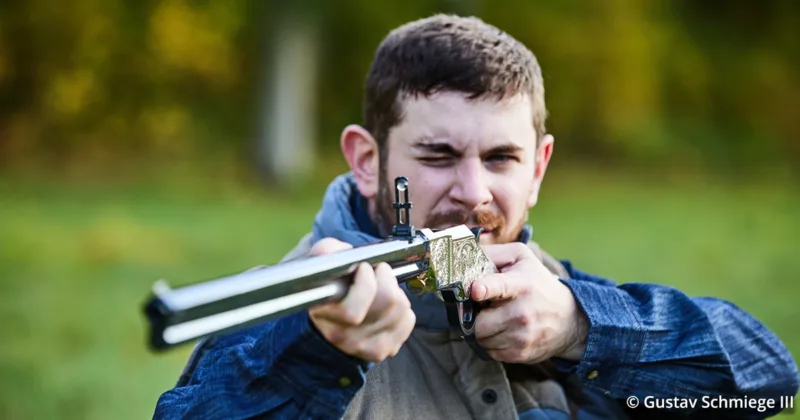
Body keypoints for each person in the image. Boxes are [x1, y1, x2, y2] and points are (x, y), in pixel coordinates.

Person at [153, 14, 798, 419]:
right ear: (367, 161)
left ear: (537, 170)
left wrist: (581, 328)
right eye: (438, 156)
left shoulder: (548, 293)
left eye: (500, 158)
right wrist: (319, 355)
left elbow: (770, 387)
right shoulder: (287, 316)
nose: (473, 193)